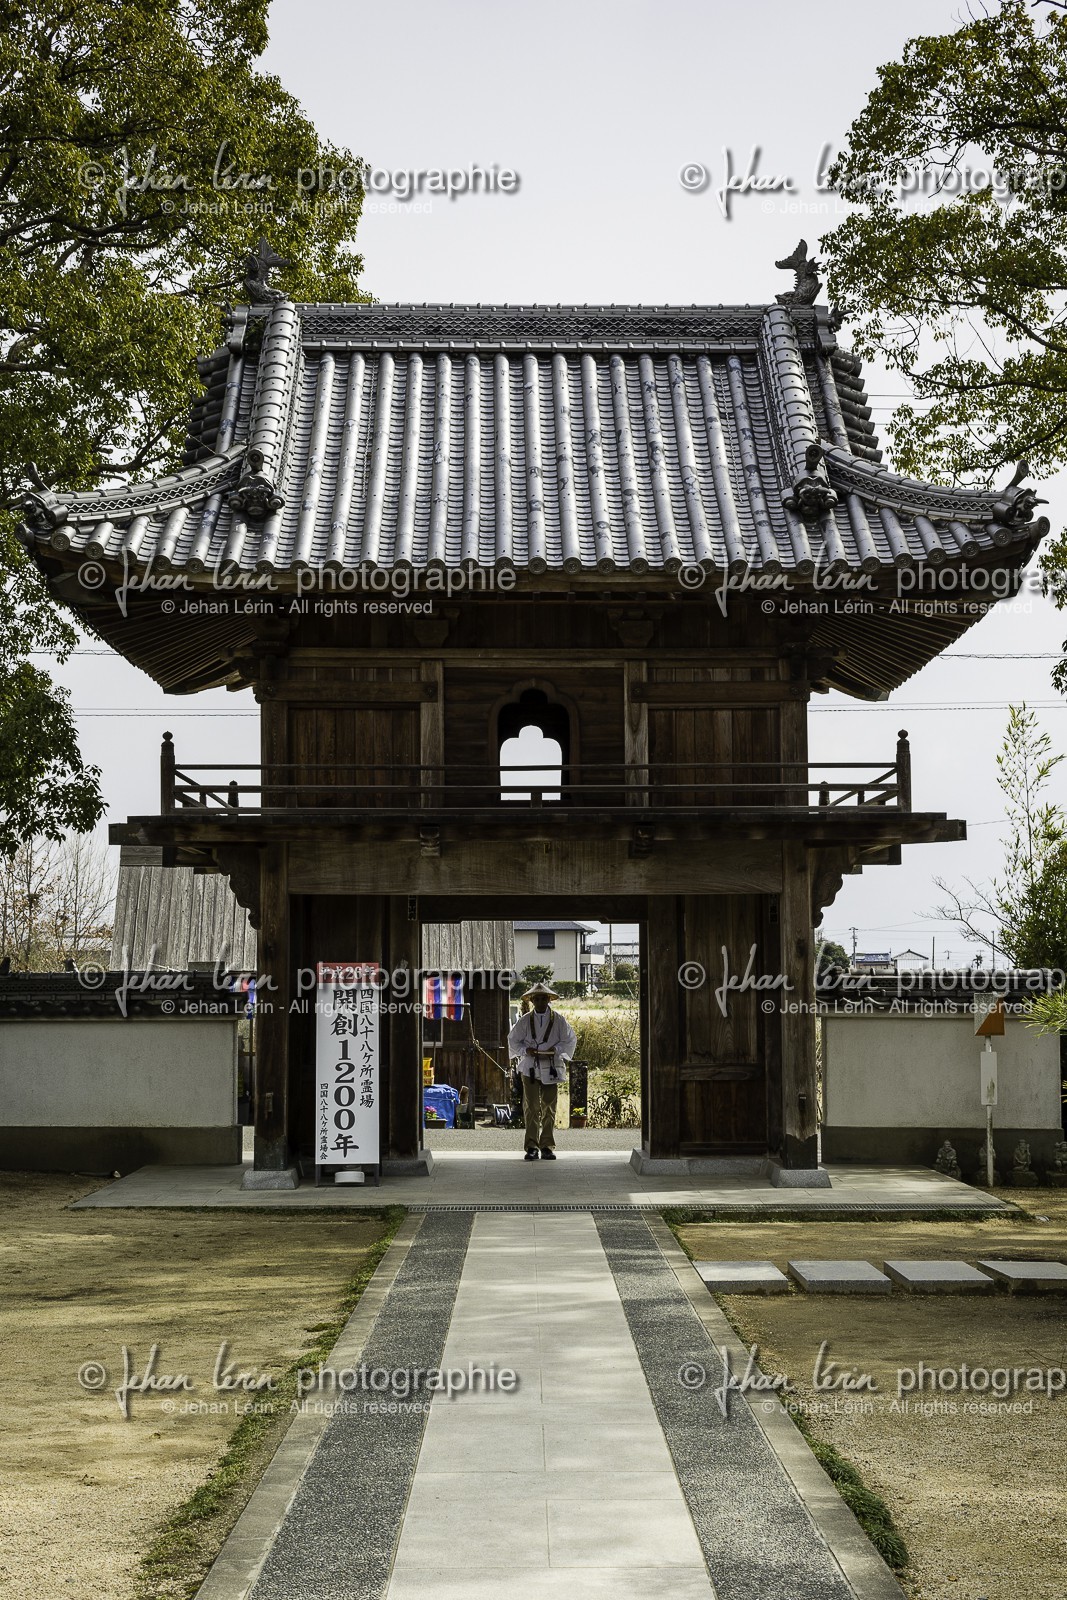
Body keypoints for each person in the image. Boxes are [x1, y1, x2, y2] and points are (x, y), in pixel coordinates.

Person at [507, 981, 577, 1160]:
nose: (539, 1002)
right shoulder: (524, 1021)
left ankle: (547, 1145)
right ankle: (531, 1146)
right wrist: (525, 1051)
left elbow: (570, 1040)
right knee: (531, 1107)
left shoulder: (559, 1020)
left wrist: (556, 1050)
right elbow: (513, 1040)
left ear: (548, 1000)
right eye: (536, 999)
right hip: (530, 1066)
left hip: (551, 1066)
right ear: (531, 1000)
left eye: (542, 998)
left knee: (549, 1107)